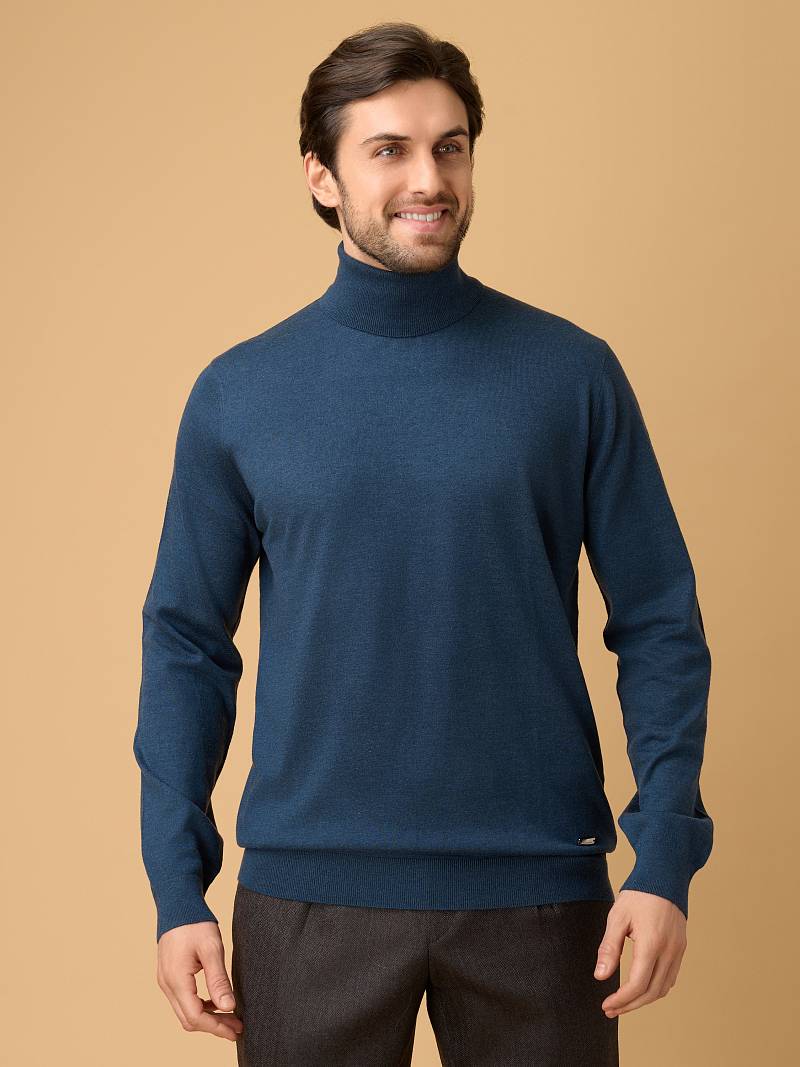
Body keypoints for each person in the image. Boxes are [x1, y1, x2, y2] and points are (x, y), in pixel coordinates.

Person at [133, 20, 713, 1065]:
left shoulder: (571, 375)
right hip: (309, 905)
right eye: (388, 150)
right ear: (321, 177)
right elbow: (187, 644)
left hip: (542, 901)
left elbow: (660, 620)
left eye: (450, 147)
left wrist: (663, 853)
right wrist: (178, 888)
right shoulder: (240, 393)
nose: (428, 179)